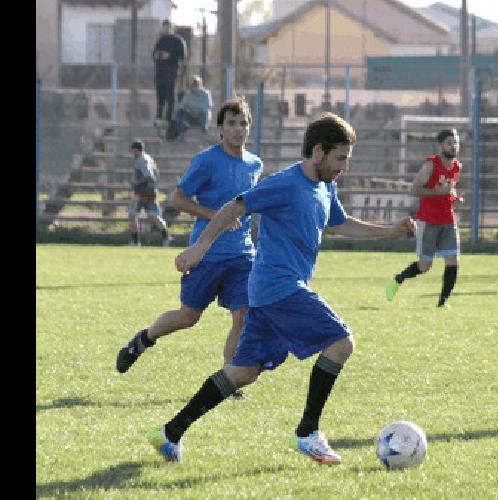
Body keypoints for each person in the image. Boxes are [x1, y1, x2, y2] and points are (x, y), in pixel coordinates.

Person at [147, 112, 416, 465]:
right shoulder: (287, 183)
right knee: (341, 342)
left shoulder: (325, 187)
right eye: (340, 158)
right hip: (279, 288)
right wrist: (200, 248)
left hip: (268, 293)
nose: (343, 167)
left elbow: (339, 224)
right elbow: (236, 206)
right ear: (318, 151)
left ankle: (169, 433)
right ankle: (307, 432)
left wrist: (390, 232)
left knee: (243, 372)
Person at [116, 97, 264, 403]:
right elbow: (178, 200)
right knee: (188, 317)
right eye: (232, 123)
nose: (239, 129)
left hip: (242, 255)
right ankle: (143, 340)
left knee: (243, 315)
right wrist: (217, 217)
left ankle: (229, 379)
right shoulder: (207, 160)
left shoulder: (255, 164)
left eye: (244, 123)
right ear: (220, 128)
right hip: (207, 253)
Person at [384, 129, 464, 308]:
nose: (453, 146)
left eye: (456, 142)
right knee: (424, 266)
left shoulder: (457, 167)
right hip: (428, 221)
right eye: (449, 142)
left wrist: (454, 198)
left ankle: (442, 303)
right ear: (441, 145)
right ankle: (398, 280)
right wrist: (438, 192)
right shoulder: (431, 165)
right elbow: (414, 190)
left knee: (453, 260)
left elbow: (449, 190)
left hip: (448, 220)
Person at [126, 140, 172, 247]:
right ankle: (166, 237)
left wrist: (136, 182)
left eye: (133, 151)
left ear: (136, 150)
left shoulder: (142, 160)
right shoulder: (150, 158)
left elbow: (149, 176)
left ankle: (135, 241)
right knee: (154, 216)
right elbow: (156, 174)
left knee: (132, 215)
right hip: (152, 192)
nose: (132, 153)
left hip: (141, 193)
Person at [152, 20, 186, 126]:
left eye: (168, 27)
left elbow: (182, 55)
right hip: (160, 72)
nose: (166, 29)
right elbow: (153, 54)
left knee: (170, 95)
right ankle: (159, 116)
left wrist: (170, 56)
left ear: (172, 28)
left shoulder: (178, 40)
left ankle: (169, 117)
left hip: (171, 71)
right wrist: (157, 55)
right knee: (160, 95)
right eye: (164, 27)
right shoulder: (160, 40)